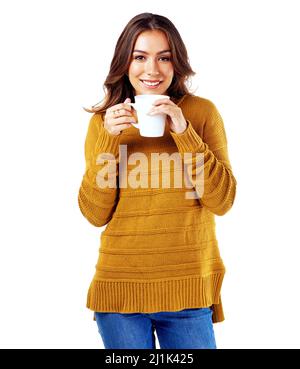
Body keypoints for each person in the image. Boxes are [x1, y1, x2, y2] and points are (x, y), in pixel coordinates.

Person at [78, 12, 237, 349]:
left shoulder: (201, 114)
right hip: (120, 294)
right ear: (125, 62)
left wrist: (184, 132)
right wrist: (109, 140)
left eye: (164, 57)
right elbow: (95, 214)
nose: (152, 69)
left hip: (188, 290)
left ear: (176, 63)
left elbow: (222, 201)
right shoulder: (103, 124)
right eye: (140, 57)